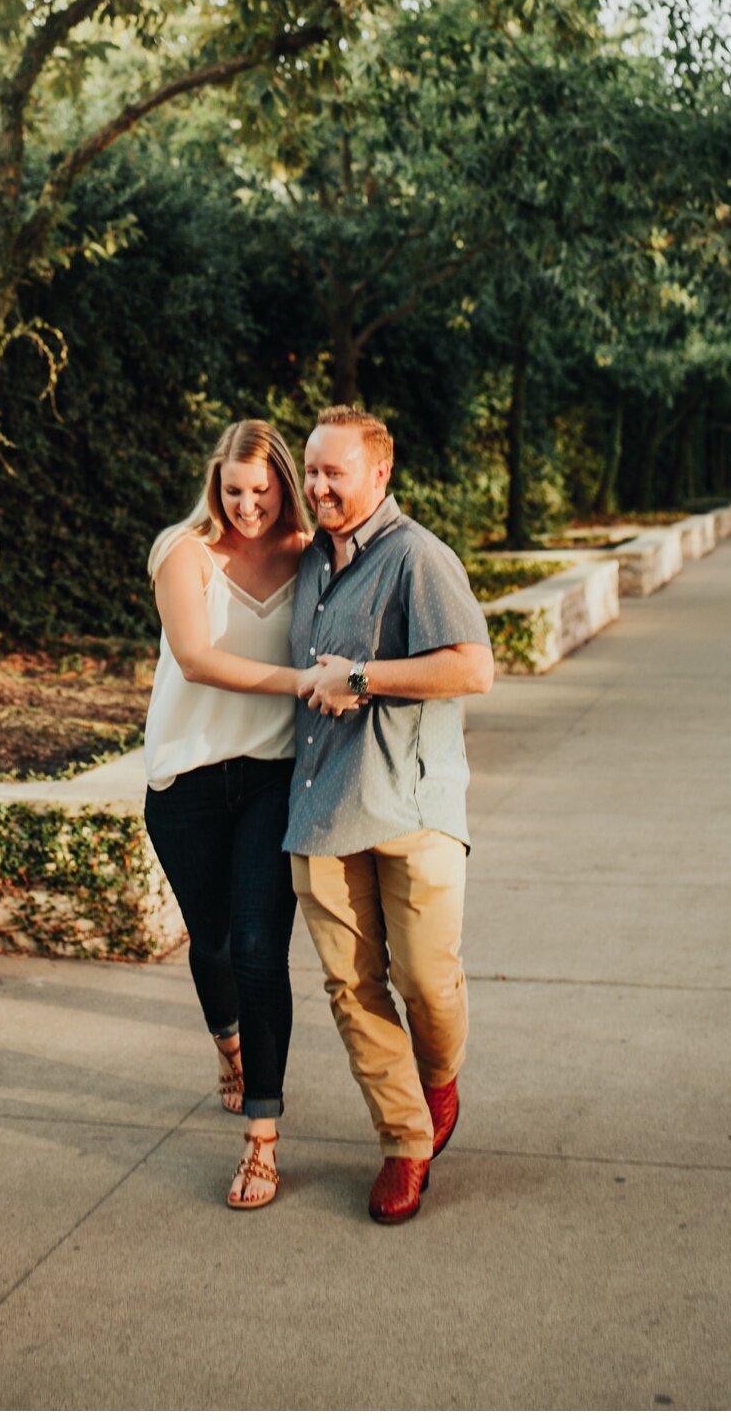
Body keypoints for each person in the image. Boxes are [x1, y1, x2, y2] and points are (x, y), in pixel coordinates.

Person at [284, 406, 495, 1226]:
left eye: (334, 472)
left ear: (380, 475)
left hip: (410, 804)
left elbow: (473, 669)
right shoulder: (308, 564)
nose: (318, 486)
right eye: (311, 471)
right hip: (321, 805)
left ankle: (438, 1081)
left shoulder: (418, 558)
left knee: (427, 981)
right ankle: (405, 1143)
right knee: (351, 988)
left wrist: (363, 678)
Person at [144, 420, 313, 1211]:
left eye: (262, 490)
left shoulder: (312, 553)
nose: (247, 506)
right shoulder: (182, 551)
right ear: (216, 483)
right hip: (187, 782)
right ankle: (228, 1044)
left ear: (284, 482)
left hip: (272, 779)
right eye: (234, 490)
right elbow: (197, 659)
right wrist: (305, 684)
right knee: (210, 944)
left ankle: (263, 1140)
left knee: (258, 952)